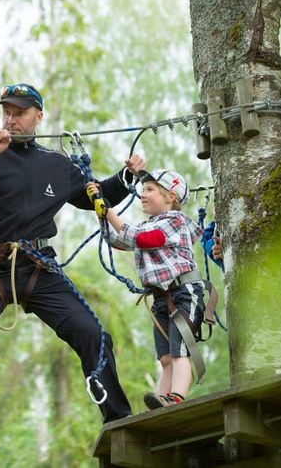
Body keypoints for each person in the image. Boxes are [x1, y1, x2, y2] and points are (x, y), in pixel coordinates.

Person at [0, 83, 144, 423]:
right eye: (6, 111)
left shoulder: (56, 164)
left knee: (92, 335)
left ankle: (120, 424)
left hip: (37, 266)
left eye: (19, 112)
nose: (10, 119)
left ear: (38, 116)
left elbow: (94, 195)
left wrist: (127, 176)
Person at [87, 169, 207, 409]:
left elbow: (144, 239)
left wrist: (110, 211)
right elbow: (120, 239)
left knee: (179, 351)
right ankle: (160, 402)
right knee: (165, 358)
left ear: (171, 196)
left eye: (150, 189)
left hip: (184, 293)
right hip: (161, 298)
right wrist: (100, 210)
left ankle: (177, 397)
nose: (143, 194)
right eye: (143, 190)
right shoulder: (149, 224)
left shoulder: (175, 222)